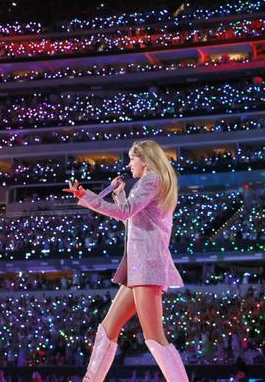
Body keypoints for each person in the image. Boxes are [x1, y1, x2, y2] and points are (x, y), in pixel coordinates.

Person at [64, 140, 187, 382]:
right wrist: (120, 194)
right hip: (140, 266)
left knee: (154, 337)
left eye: (133, 159)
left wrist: (86, 196)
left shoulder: (151, 179)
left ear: (146, 159)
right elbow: (131, 219)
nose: (129, 164)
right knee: (108, 328)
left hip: (146, 267)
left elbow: (125, 213)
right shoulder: (156, 181)